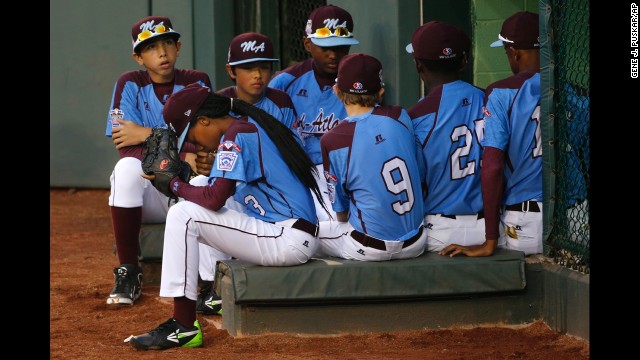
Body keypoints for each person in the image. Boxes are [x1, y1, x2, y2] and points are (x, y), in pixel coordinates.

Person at [126, 83, 326, 350]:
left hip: (286, 237)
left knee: (183, 215)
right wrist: (185, 181)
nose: (194, 144)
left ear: (205, 120)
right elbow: (217, 190)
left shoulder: (236, 135)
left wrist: (174, 185)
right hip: (283, 228)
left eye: (193, 137)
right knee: (198, 185)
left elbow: (215, 198)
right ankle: (214, 293)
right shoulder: (245, 125)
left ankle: (183, 325)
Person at [104, 15, 212, 306]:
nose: (162, 52)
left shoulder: (197, 81)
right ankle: (129, 270)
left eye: (167, 43)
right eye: (151, 47)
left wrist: (147, 134)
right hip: (153, 192)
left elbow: (206, 141)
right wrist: (178, 150)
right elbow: (125, 146)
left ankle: (211, 282)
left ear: (178, 46)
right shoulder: (129, 83)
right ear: (138, 57)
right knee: (124, 171)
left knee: (204, 178)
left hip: (184, 189)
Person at [195, 32, 300, 315]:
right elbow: (202, 152)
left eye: (264, 66)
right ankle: (209, 283)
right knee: (202, 185)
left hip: (272, 188)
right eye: (248, 67)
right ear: (231, 71)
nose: (258, 74)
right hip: (233, 184)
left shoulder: (282, 103)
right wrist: (205, 161)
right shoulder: (217, 104)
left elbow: (292, 156)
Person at [440, 11, 542, 257]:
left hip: (525, 220)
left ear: (514, 52)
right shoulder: (572, 91)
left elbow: (493, 166)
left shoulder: (501, 92)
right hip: (572, 218)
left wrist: (489, 240)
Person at [405, 21, 505, 253]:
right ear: (463, 61)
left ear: (418, 65)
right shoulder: (492, 100)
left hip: (439, 231)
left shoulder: (414, 116)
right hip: (490, 228)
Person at [316, 53, 427, 261]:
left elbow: (341, 212)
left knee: (307, 234)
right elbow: (420, 175)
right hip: (417, 242)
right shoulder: (400, 115)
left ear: (336, 90)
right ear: (381, 91)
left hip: (369, 247)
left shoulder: (333, 140)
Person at [269, 4, 359, 222]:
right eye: (325, 47)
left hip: (347, 171)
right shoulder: (285, 82)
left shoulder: (359, 82)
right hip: (300, 171)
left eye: (340, 47)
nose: (333, 55)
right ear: (307, 44)